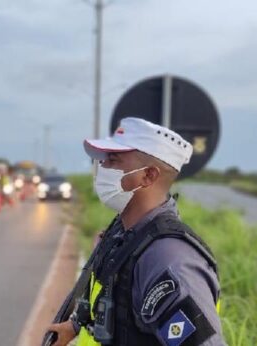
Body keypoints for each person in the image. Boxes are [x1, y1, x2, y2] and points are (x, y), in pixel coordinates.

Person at [47, 117, 224, 346]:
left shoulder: (168, 260)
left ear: (148, 176)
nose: (102, 167)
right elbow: (114, 304)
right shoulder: (123, 234)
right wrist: (74, 326)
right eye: (103, 160)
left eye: (113, 160)